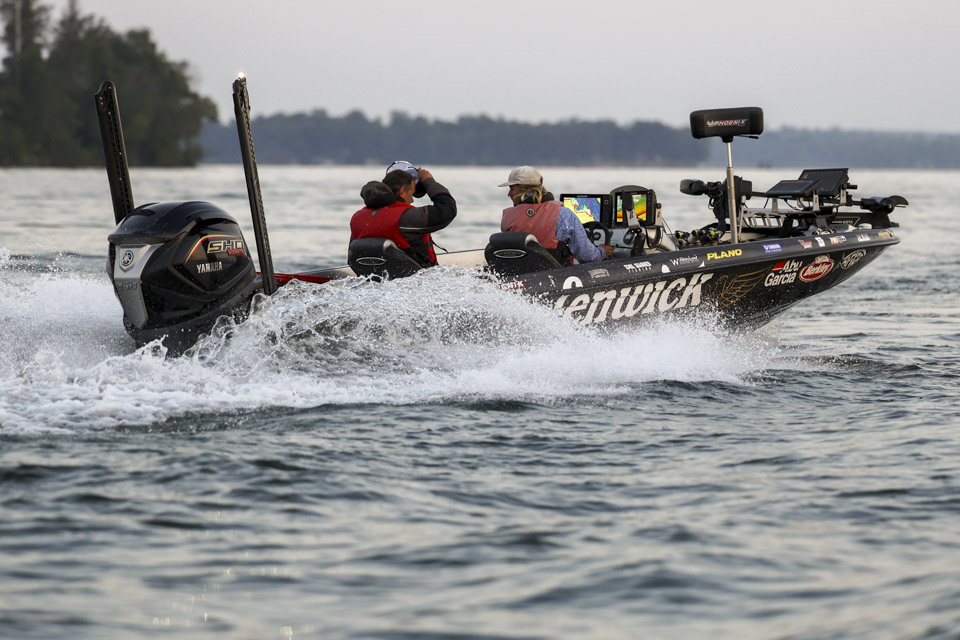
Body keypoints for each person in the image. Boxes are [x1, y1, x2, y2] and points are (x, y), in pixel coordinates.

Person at [349, 161, 457, 267]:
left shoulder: (357, 218)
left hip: (372, 276)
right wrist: (429, 181)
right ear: (402, 191)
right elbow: (447, 210)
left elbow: (352, 259)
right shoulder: (405, 217)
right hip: (418, 276)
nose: (412, 200)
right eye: (411, 193)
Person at [499, 166, 613, 264]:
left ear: (525, 190)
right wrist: (602, 252)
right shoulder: (563, 214)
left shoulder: (508, 218)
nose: (509, 194)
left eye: (512, 189)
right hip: (555, 275)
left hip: (522, 273)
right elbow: (587, 256)